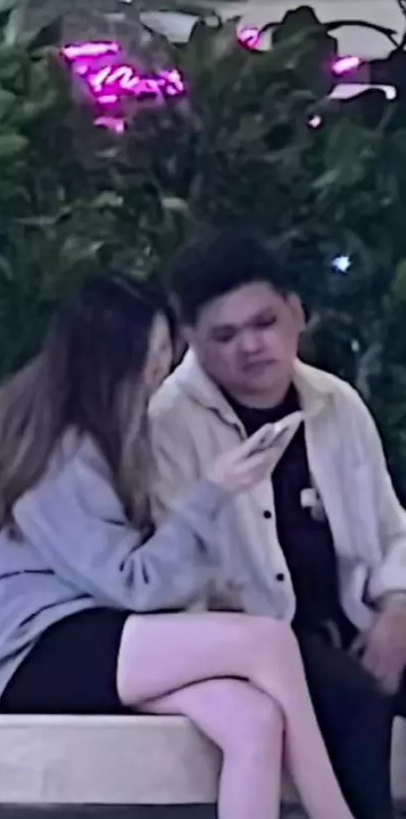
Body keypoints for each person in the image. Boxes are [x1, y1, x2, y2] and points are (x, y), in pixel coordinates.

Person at [0, 273, 356, 819]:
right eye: (156, 351)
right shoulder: (61, 456)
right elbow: (135, 585)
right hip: (31, 652)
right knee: (267, 643)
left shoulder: (113, 436)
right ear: (113, 359)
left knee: (253, 721)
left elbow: (139, 584)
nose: (163, 367)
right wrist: (214, 491)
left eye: (167, 350)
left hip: (100, 635)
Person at [150, 230, 406, 819]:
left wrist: (397, 610)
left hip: (359, 621)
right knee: (354, 698)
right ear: (191, 341)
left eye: (264, 322)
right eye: (225, 336)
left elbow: (391, 528)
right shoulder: (167, 423)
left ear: (296, 313)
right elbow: (170, 567)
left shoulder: (336, 404)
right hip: (258, 644)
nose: (251, 346)